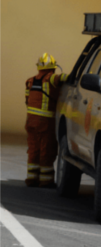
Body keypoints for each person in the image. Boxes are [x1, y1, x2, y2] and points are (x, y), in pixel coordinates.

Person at [24, 53, 69, 188]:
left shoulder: (30, 81)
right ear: (53, 68)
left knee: (33, 149)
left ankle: (31, 178)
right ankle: (46, 180)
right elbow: (65, 77)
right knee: (46, 150)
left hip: (30, 121)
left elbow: (27, 101)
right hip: (45, 122)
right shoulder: (51, 79)